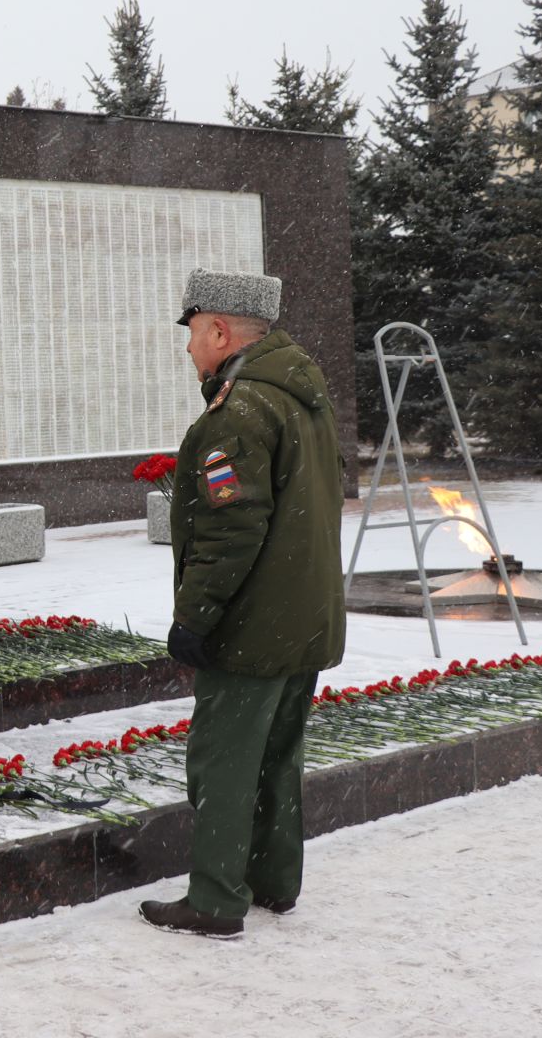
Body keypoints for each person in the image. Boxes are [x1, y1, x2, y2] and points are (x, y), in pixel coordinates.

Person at [139, 267, 346, 937]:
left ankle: (217, 899)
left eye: (194, 334)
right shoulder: (300, 395)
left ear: (220, 331)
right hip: (302, 618)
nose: (190, 350)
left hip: (251, 627)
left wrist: (194, 619)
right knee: (278, 757)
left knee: (224, 763)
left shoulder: (242, 411)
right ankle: (274, 881)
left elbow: (232, 529)